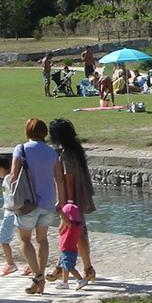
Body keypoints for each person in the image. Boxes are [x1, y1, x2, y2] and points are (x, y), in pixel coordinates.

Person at [10, 117, 64, 295]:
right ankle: (39, 283)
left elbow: (13, 176)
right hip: (47, 202)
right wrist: (61, 201)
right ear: (44, 133)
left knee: (25, 240)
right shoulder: (52, 153)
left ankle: (38, 275)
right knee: (42, 240)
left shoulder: (22, 149)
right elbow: (59, 179)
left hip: (27, 203)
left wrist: (10, 199)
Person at [49, 117, 97, 284]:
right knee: (74, 232)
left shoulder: (66, 154)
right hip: (80, 194)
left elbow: (69, 178)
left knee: (73, 232)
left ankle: (85, 269)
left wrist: (68, 202)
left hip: (73, 198)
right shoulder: (76, 149)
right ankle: (62, 267)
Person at [0, 154, 18, 276]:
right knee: (24, 239)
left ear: (0, 168)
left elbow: (11, 195)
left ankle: (10, 263)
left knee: (3, 239)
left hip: (10, 213)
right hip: (16, 212)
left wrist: (8, 206)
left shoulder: (7, 179)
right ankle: (29, 265)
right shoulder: (11, 177)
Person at [54, 202, 84, 289]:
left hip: (68, 250)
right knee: (64, 266)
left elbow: (65, 220)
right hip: (69, 249)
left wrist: (60, 211)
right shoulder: (78, 225)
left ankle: (80, 280)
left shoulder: (71, 226)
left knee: (69, 267)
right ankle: (65, 282)